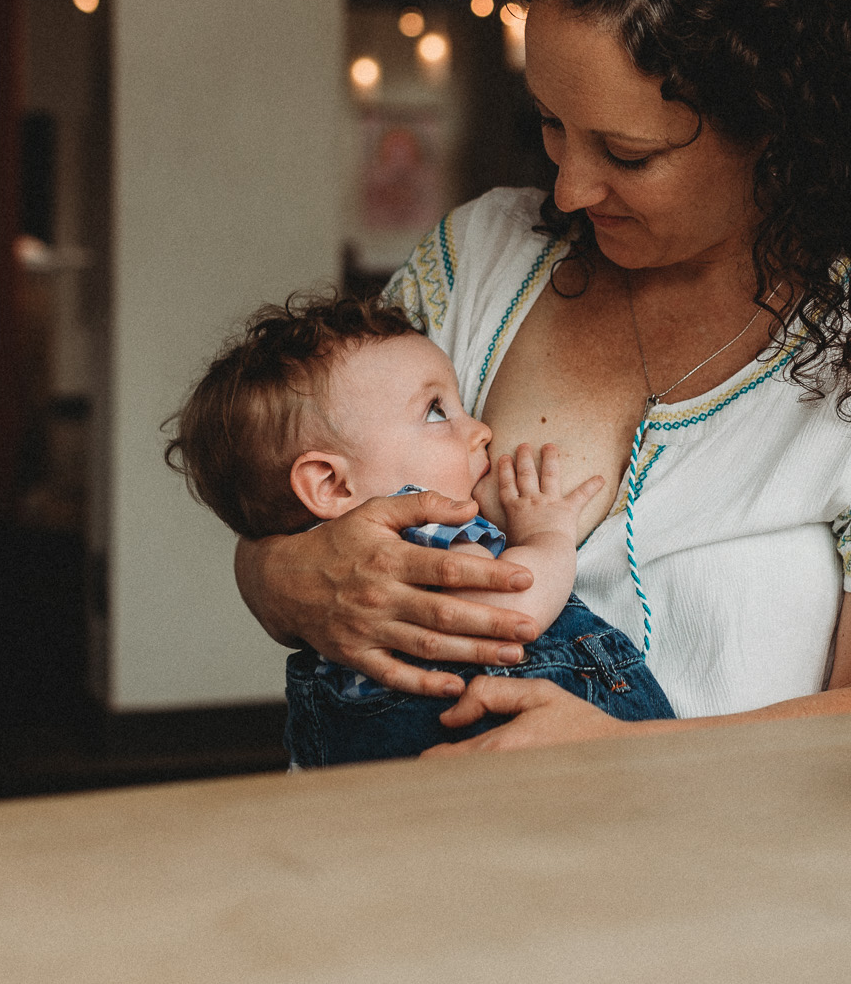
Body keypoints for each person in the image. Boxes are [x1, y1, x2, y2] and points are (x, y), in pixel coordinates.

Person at [233, 0, 851, 753]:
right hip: (407, 862)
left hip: (722, 876)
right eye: (553, 127)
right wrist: (285, 578)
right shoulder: (481, 255)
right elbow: (297, 511)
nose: (569, 188)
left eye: (627, 154)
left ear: (777, 130)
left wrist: (626, 757)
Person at [167, 294, 674, 764]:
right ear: (330, 482)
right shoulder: (421, 532)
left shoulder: (345, 577)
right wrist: (547, 536)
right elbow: (513, 611)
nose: (479, 429)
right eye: (437, 412)